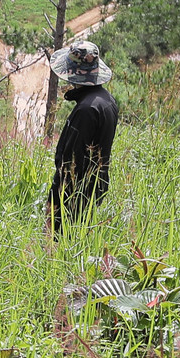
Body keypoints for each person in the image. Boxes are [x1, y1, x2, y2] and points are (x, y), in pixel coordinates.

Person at [47, 40, 119, 233]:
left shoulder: (87, 109)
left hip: (74, 193)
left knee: (59, 242)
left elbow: (71, 161)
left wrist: (56, 197)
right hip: (92, 188)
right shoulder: (106, 100)